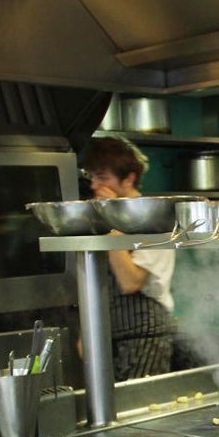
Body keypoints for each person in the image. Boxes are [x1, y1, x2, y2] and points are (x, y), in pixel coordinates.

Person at [81, 136, 176, 380]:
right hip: (108, 333)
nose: (94, 186)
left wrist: (112, 222)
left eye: (103, 178)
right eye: (92, 177)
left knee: (141, 411)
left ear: (129, 178)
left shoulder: (153, 219)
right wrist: (88, 331)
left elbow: (130, 281)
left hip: (145, 336)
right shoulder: (99, 217)